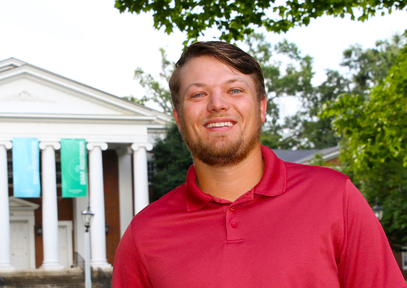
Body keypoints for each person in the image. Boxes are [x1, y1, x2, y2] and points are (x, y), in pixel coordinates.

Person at [112, 41, 406, 288]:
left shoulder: (335, 198)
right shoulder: (145, 234)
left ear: (262, 107)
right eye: (198, 94)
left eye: (235, 90)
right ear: (178, 119)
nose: (217, 104)